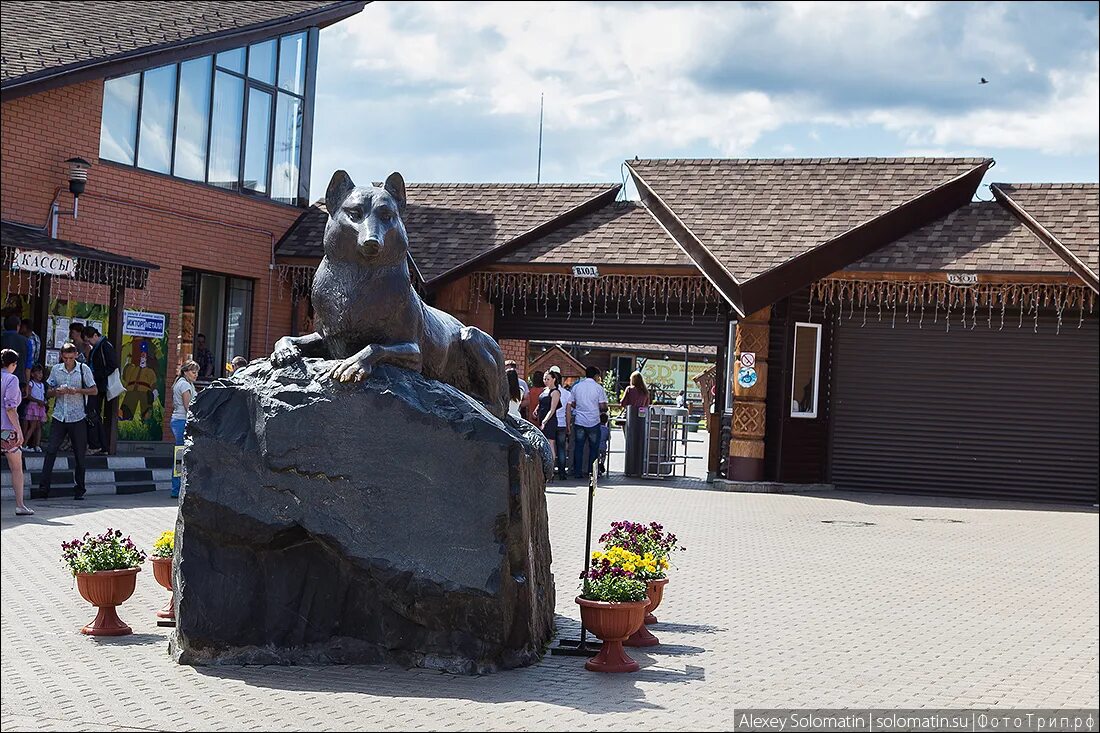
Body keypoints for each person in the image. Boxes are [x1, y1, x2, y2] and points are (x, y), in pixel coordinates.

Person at [38, 343, 97, 500]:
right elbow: (48, 392)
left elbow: (94, 390)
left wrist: (76, 391)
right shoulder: (56, 370)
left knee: (79, 455)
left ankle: (79, 489)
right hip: (59, 416)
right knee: (51, 450)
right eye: (65, 358)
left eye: (71, 358)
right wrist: (56, 392)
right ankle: (43, 488)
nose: (68, 361)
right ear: (61, 357)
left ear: (76, 355)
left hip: (78, 417)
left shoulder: (84, 370)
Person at [2, 349, 33, 515]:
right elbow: (10, 408)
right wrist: (19, 431)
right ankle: (20, 505)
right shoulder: (11, 379)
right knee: (16, 467)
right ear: (13, 364)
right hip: (6, 429)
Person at [568, 365, 609, 479]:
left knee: (579, 447)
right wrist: (602, 408)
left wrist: (580, 407)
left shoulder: (577, 387)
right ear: (596, 376)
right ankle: (591, 472)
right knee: (593, 448)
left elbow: (571, 403)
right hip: (594, 421)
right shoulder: (598, 388)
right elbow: (603, 406)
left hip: (579, 420)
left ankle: (578, 472)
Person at [83, 325, 119, 455]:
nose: (88, 343)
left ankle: (96, 445)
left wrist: (97, 375)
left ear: (94, 336)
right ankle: (100, 445)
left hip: (100, 385)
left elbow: (113, 365)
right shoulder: (96, 348)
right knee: (94, 415)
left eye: (89, 340)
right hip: (96, 384)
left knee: (92, 414)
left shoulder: (105, 346)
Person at [171, 361, 199, 498]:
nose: (196, 375)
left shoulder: (186, 383)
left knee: (180, 455)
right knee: (181, 455)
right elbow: (189, 407)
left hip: (179, 420)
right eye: (193, 372)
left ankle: (177, 488)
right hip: (182, 421)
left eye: (197, 372)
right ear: (186, 371)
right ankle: (176, 488)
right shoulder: (184, 385)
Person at [536, 370, 563, 479]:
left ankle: (551, 469)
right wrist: (536, 410)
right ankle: (544, 466)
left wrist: (545, 421)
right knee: (543, 442)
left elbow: (552, 409)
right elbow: (541, 402)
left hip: (550, 420)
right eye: (544, 379)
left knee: (550, 442)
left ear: (554, 379)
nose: (545, 381)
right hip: (541, 417)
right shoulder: (544, 390)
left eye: (548, 379)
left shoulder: (555, 392)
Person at [549, 366, 572, 479]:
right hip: (562, 423)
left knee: (550, 447)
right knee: (561, 449)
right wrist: (568, 425)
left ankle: (550, 471)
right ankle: (562, 473)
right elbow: (568, 412)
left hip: (550, 423)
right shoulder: (566, 394)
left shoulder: (549, 392)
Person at [20, 364, 47, 453]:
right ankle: (24, 444)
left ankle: (37, 445)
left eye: (41, 373)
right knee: (32, 426)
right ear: (32, 374)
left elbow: (42, 395)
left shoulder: (42, 385)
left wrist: (44, 401)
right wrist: (38, 401)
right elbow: (29, 396)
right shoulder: (31, 383)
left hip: (40, 408)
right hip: (33, 407)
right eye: (38, 372)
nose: (40, 375)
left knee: (38, 427)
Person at [597, 412, 611, 476]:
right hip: (603, 446)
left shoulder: (597, 428)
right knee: (603, 456)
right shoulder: (607, 429)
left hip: (597, 445)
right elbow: (609, 438)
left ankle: (597, 467)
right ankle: (602, 463)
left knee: (597, 457)